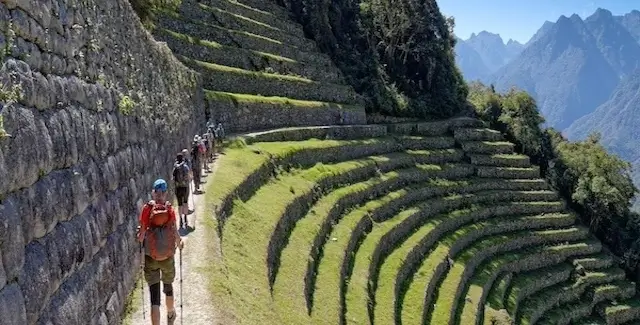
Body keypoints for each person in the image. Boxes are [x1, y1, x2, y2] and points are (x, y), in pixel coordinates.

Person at [136, 179, 184, 325]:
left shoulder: (147, 209)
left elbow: (141, 237)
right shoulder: (169, 209)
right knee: (168, 286)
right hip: (167, 257)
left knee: (154, 297)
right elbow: (175, 231)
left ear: (153, 192)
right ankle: (170, 314)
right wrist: (179, 243)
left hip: (151, 257)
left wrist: (139, 236)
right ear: (165, 193)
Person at [172, 153, 191, 229]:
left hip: (178, 188)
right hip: (185, 187)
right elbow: (188, 176)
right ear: (182, 159)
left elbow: (173, 178)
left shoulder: (175, 168)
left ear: (177, 159)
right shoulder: (185, 166)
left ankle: (180, 220)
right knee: (185, 203)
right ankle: (186, 218)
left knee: (180, 204)